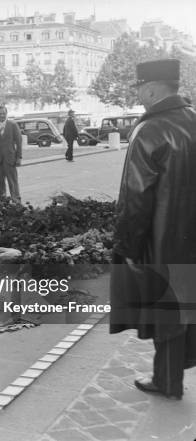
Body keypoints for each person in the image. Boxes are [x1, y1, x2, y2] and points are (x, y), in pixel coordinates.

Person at [110, 58, 196, 401]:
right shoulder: (193, 121)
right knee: (185, 305)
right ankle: (169, 376)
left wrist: (127, 246)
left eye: (140, 90)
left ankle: (168, 381)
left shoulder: (150, 130)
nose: (140, 97)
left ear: (150, 88)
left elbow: (135, 196)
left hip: (163, 241)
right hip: (190, 237)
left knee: (167, 310)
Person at [0, 105, 22, 203]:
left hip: (10, 159)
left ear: (6, 114)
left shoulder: (13, 125)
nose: (2, 115)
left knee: (12, 182)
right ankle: (3, 203)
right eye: (0, 113)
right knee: (0, 183)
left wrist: (19, 157)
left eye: (3, 113)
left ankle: (16, 203)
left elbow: (19, 142)